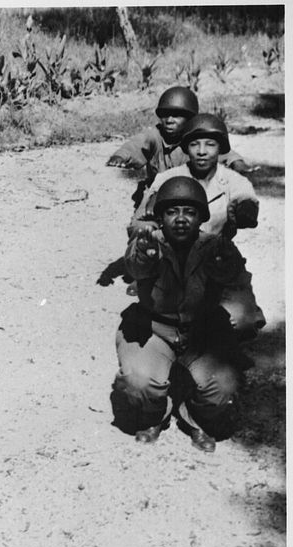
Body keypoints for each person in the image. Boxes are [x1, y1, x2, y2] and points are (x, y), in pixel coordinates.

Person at [111, 176, 262, 453]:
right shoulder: (149, 243)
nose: (181, 219)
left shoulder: (217, 246)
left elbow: (237, 280)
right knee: (139, 383)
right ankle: (157, 414)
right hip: (153, 329)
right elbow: (135, 266)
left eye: (190, 212)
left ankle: (192, 414)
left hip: (201, 333)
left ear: (201, 217)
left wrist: (224, 269)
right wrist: (143, 255)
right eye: (171, 212)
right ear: (160, 216)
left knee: (223, 391)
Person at [130, 114, 264, 336]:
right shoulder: (167, 178)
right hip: (172, 262)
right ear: (185, 148)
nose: (202, 151)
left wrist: (244, 212)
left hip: (215, 259)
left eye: (210, 144)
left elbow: (246, 201)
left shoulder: (233, 181)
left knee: (242, 323)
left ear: (221, 148)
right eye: (194, 144)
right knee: (158, 319)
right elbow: (141, 219)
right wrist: (148, 232)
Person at [107, 86, 250, 207]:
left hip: (192, 195)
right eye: (165, 115)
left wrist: (238, 164)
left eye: (176, 116)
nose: (169, 121)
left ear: (190, 118)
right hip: (158, 195)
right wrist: (120, 156)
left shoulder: (197, 138)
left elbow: (224, 153)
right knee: (143, 227)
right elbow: (137, 144)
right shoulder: (155, 136)